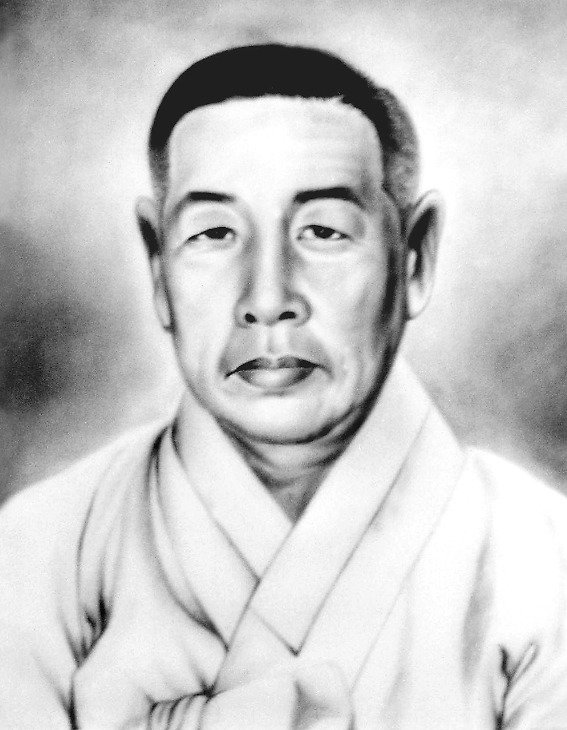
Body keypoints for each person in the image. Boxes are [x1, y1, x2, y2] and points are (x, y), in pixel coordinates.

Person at [1, 43, 567, 730]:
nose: (267, 299)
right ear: (156, 265)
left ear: (415, 256)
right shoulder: (42, 550)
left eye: (323, 231)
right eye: (214, 233)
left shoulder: (543, 558)